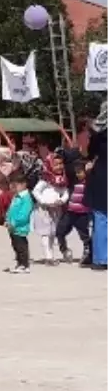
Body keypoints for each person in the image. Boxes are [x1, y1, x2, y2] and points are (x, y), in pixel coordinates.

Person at [85, 100, 108, 270]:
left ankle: (101, 259)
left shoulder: (98, 134)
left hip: (101, 177)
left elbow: (90, 153)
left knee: (101, 218)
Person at [57, 162, 92, 266]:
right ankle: (64, 250)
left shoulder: (89, 183)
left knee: (85, 236)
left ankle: (88, 255)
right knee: (60, 231)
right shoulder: (73, 182)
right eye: (76, 172)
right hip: (70, 212)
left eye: (80, 172)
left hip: (82, 214)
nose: (78, 174)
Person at [4, 171, 34, 274]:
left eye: (15, 185)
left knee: (22, 247)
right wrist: (7, 220)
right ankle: (19, 263)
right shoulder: (16, 196)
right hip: (12, 227)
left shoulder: (26, 198)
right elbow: (11, 209)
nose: (13, 187)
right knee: (15, 246)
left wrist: (14, 223)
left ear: (23, 184)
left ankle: (24, 265)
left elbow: (24, 215)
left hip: (20, 227)